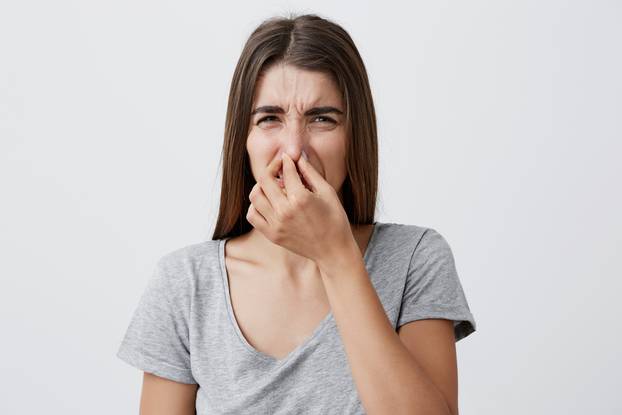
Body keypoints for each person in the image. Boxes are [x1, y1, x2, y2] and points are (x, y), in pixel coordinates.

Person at [117, 12, 476, 415]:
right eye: (269, 118)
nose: (293, 149)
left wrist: (337, 257)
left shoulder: (416, 259)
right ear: (243, 140)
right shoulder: (184, 283)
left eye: (322, 119)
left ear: (354, 136)